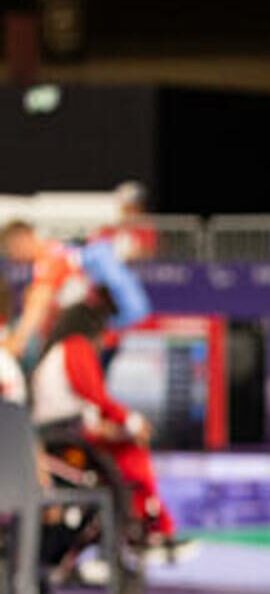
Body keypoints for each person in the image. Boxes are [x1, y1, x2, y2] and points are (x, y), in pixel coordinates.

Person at [31, 302, 187, 559]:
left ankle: (144, 529)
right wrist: (132, 422)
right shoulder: (75, 348)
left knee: (128, 454)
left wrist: (123, 429)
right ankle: (149, 530)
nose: (103, 344)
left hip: (67, 433)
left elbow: (92, 413)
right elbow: (98, 397)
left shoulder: (62, 354)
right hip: (61, 437)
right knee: (130, 453)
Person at [3, 221, 152, 361]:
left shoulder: (49, 259)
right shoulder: (61, 252)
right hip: (96, 337)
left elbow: (39, 302)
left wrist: (17, 340)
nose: (13, 258)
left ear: (22, 240)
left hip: (88, 341)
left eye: (11, 250)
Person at [91, 180, 159, 262]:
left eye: (135, 207)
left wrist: (133, 253)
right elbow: (92, 250)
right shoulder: (106, 229)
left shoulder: (146, 228)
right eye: (127, 208)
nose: (131, 212)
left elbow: (150, 252)